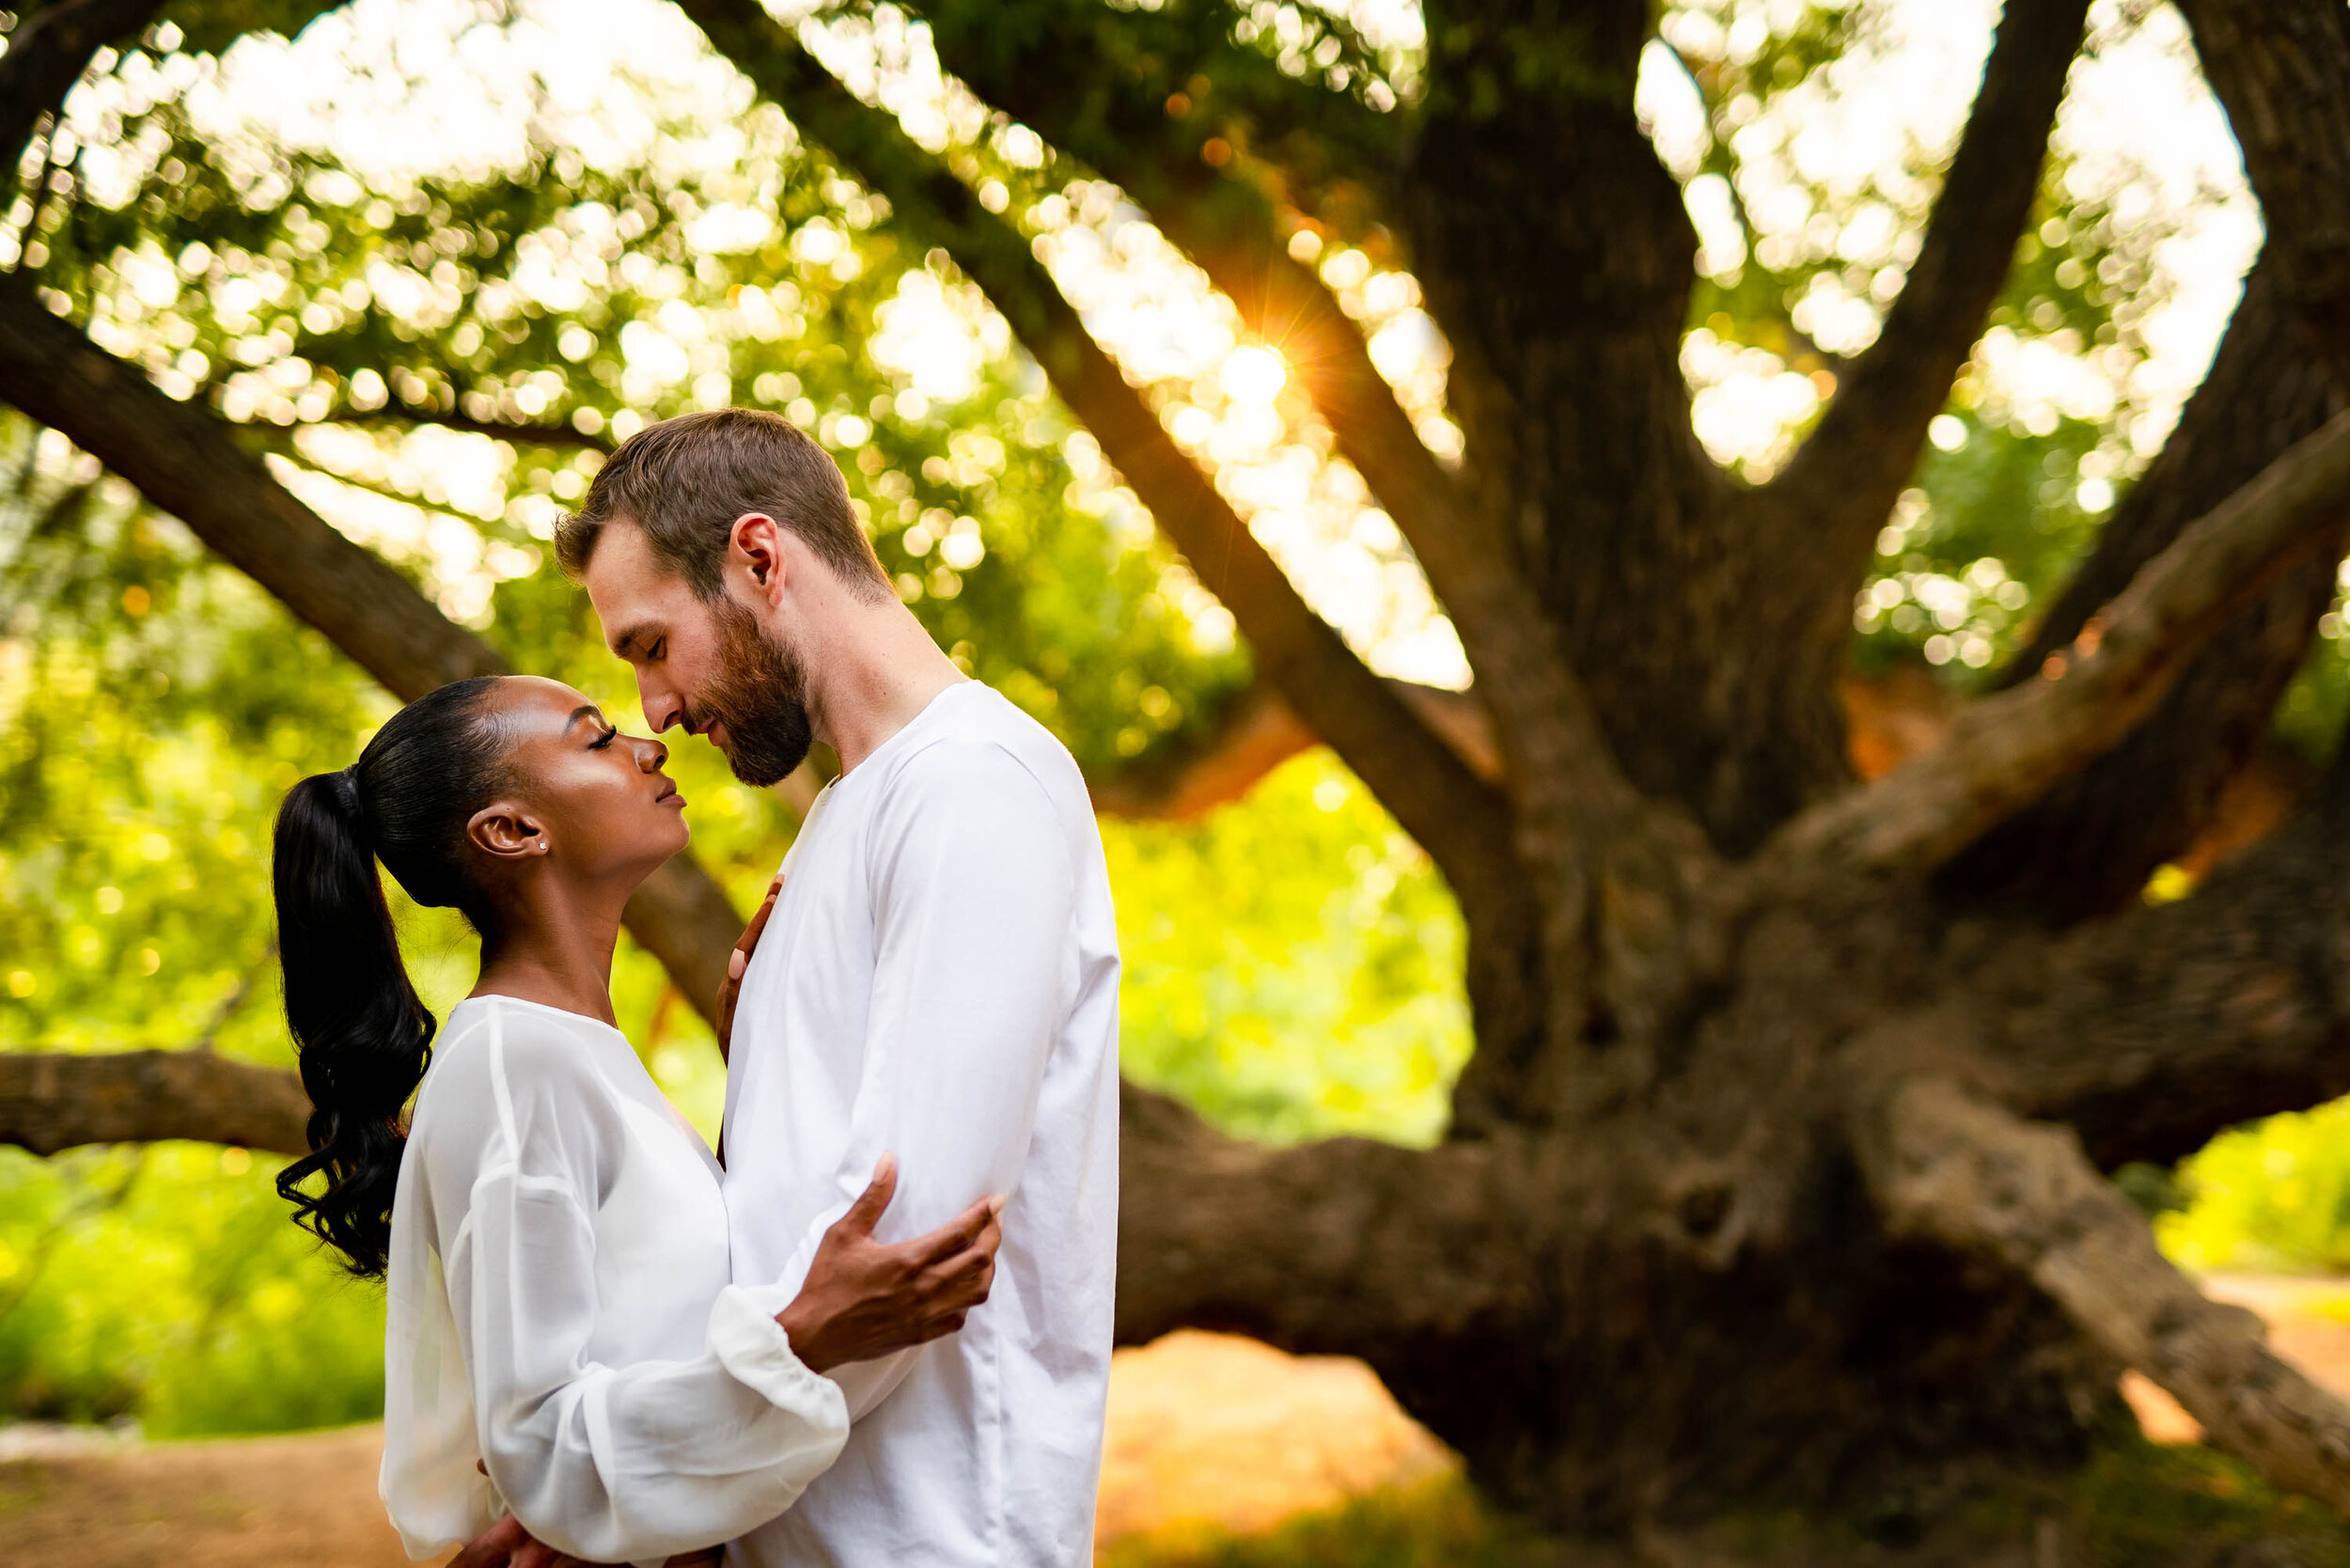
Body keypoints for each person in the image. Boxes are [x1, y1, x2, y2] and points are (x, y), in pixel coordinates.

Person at [557, 407, 1122, 1568]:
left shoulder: (973, 786)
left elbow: (901, 1251)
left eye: (652, 645)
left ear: (760, 559)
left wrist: (635, 1490)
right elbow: (797, 1216)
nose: (654, 712)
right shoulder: (838, 822)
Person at [273, 673, 1005, 1567]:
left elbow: (655, 1314)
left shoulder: (580, 1052)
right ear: (513, 831)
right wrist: (807, 1333)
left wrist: (762, 1071)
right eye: (596, 738)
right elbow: (539, 1449)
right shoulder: (513, 1065)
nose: (651, 745)